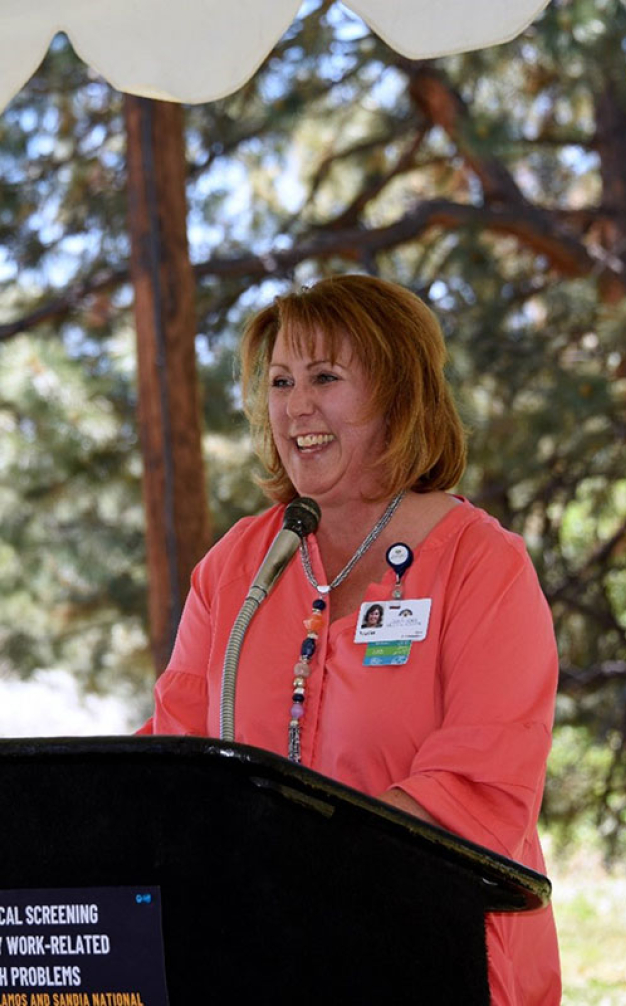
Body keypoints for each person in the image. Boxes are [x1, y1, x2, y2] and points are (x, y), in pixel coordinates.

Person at [140, 274, 560, 1005]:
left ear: (399, 396)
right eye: (279, 381)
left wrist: (304, 867)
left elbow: (479, 781)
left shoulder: (481, 563)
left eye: (326, 377)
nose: (296, 405)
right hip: (256, 958)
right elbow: (174, 761)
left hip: (435, 953)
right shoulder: (237, 567)